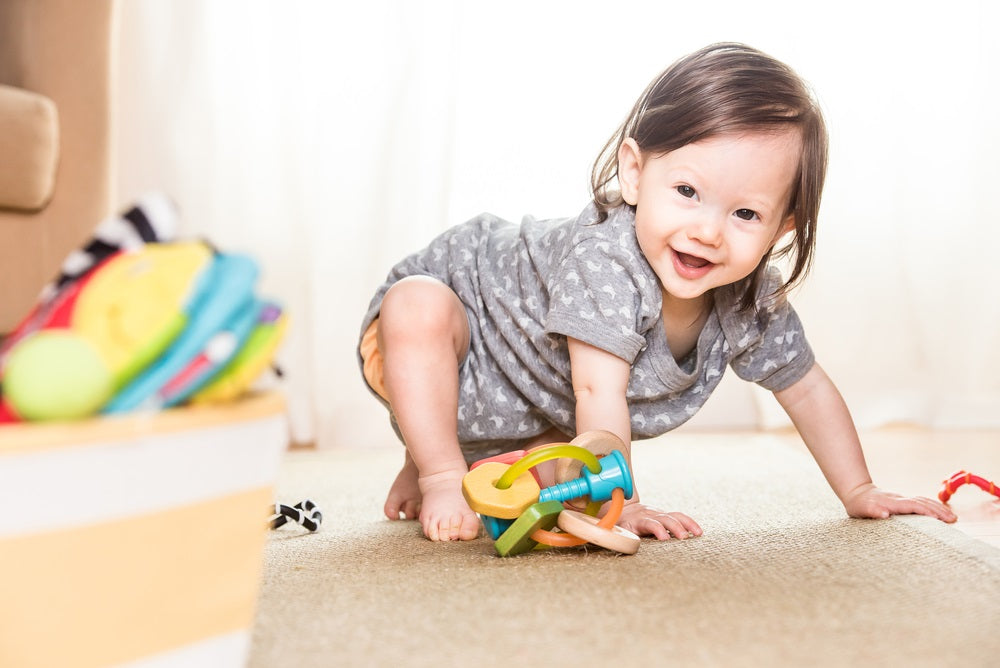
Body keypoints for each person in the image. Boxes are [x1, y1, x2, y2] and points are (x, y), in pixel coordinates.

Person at [357, 42, 957, 542]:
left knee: (552, 474)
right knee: (417, 306)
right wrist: (626, 502)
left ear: (784, 228)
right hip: (454, 328)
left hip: (534, 391)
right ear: (636, 173)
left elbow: (808, 391)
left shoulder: (750, 302)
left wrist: (860, 489)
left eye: (746, 213)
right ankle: (435, 468)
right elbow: (596, 389)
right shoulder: (606, 262)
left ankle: (456, 462)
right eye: (688, 193)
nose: (707, 230)